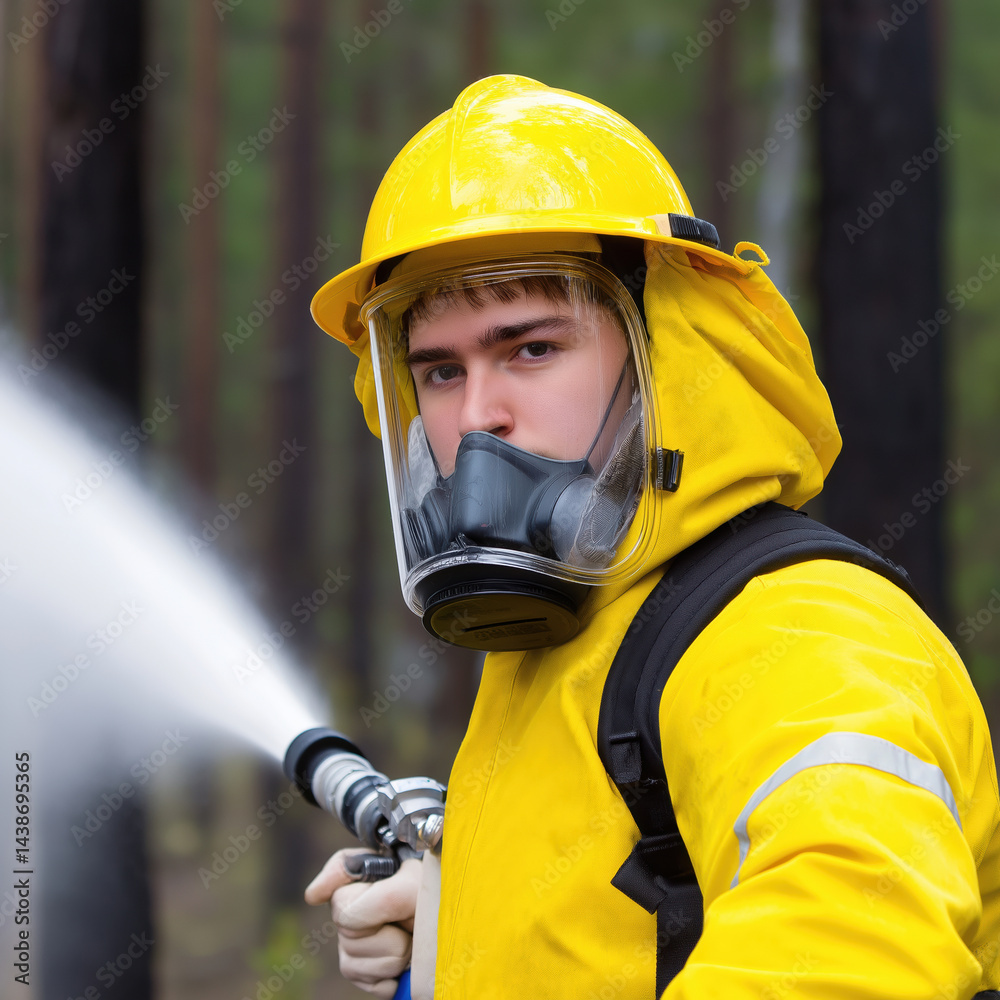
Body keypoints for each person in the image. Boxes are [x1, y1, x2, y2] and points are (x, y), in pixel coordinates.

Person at [304, 75, 1000, 999]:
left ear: (660, 351)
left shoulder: (801, 629)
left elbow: (850, 952)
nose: (477, 419)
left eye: (531, 349)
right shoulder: (568, 637)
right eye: (437, 371)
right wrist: (447, 935)